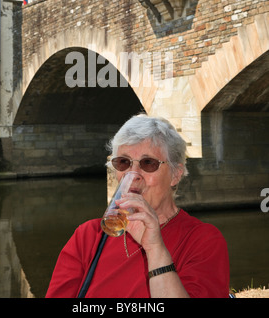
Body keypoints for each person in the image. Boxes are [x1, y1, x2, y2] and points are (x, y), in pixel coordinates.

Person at [46, 114, 230, 298]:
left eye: (148, 163)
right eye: (123, 162)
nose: (132, 175)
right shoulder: (88, 237)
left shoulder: (202, 240)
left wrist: (155, 249)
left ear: (175, 174)